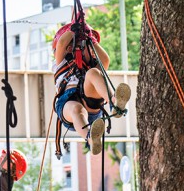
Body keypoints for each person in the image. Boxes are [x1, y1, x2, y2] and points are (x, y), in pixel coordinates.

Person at [53, 20, 131, 155]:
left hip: (89, 103)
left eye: (86, 47)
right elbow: (61, 44)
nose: (85, 51)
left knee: (93, 73)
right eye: (80, 46)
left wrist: (90, 37)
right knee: (77, 109)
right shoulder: (61, 64)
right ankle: (90, 138)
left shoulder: (92, 65)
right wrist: (73, 30)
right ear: (69, 48)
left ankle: (115, 103)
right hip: (68, 103)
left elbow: (105, 60)